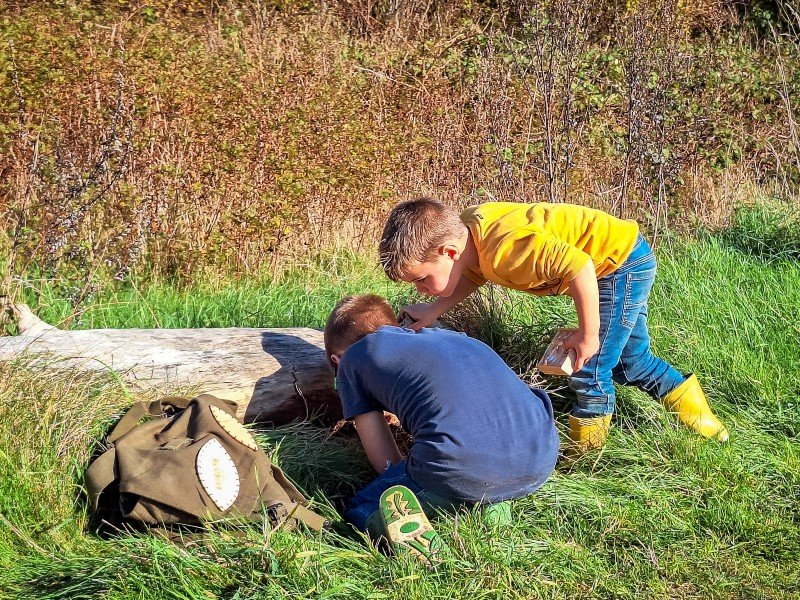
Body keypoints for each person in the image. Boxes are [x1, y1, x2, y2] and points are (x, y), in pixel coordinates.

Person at [378, 198, 729, 454]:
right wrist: (433, 308)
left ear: (448, 252)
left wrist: (587, 335)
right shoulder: (470, 236)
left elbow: (580, 268)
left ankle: (587, 460)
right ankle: (709, 430)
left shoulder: (506, 249)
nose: (419, 288)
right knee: (632, 361)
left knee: (588, 367)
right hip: (623, 257)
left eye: (422, 280)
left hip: (617, 268)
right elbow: (471, 274)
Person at [324, 294, 559, 549]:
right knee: (479, 467)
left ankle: (403, 530)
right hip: (540, 455)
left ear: (337, 360)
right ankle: (492, 513)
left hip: (462, 464)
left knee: (362, 506)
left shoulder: (351, 360)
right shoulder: (454, 337)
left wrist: (403, 476)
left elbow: (384, 459)